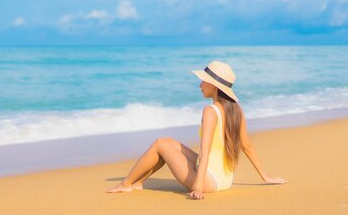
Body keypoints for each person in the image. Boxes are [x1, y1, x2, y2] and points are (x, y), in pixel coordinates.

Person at [106, 60, 287, 199]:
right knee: (169, 142)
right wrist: (265, 176)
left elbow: (205, 151)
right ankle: (138, 183)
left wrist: (198, 187)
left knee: (160, 144)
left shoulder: (210, 111)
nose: (200, 85)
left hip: (208, 181)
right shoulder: (236, 110)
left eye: (204, 81)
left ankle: (126, 183)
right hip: (224, 179)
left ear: (214, 87)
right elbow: (247, 146)